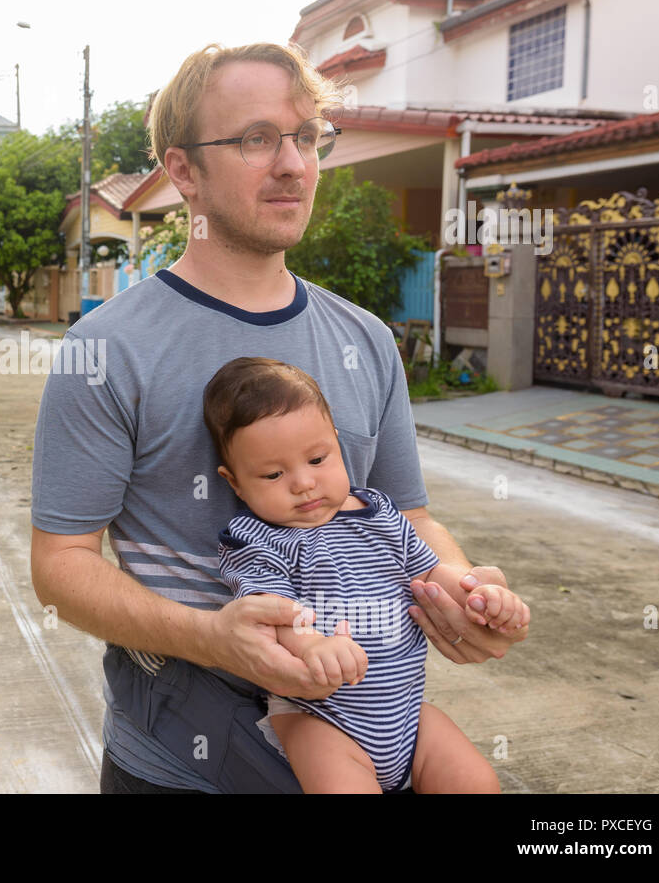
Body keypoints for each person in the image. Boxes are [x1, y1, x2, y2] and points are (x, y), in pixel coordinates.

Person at [29, 41, 530, 793]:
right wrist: (212, 638)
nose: (293, 163)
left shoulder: (364, 339)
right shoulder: (105, 349)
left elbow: (408, 517)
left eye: (305, 137)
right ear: (184, 172)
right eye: (256, 139)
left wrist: (460, 592)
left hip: (366, 743)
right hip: (177, 767)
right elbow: (61, 566)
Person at [206, 356, 525, 793]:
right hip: (318, 715)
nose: (303, 483)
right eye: (274, 474)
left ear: (337, 445)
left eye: (318, 459)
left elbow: (430, 573)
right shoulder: (257, 540)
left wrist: (480, 598)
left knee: (476, 782)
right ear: (235, 482)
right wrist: (313, 643)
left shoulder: (379, 515)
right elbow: (270, 613)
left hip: (406, 712)